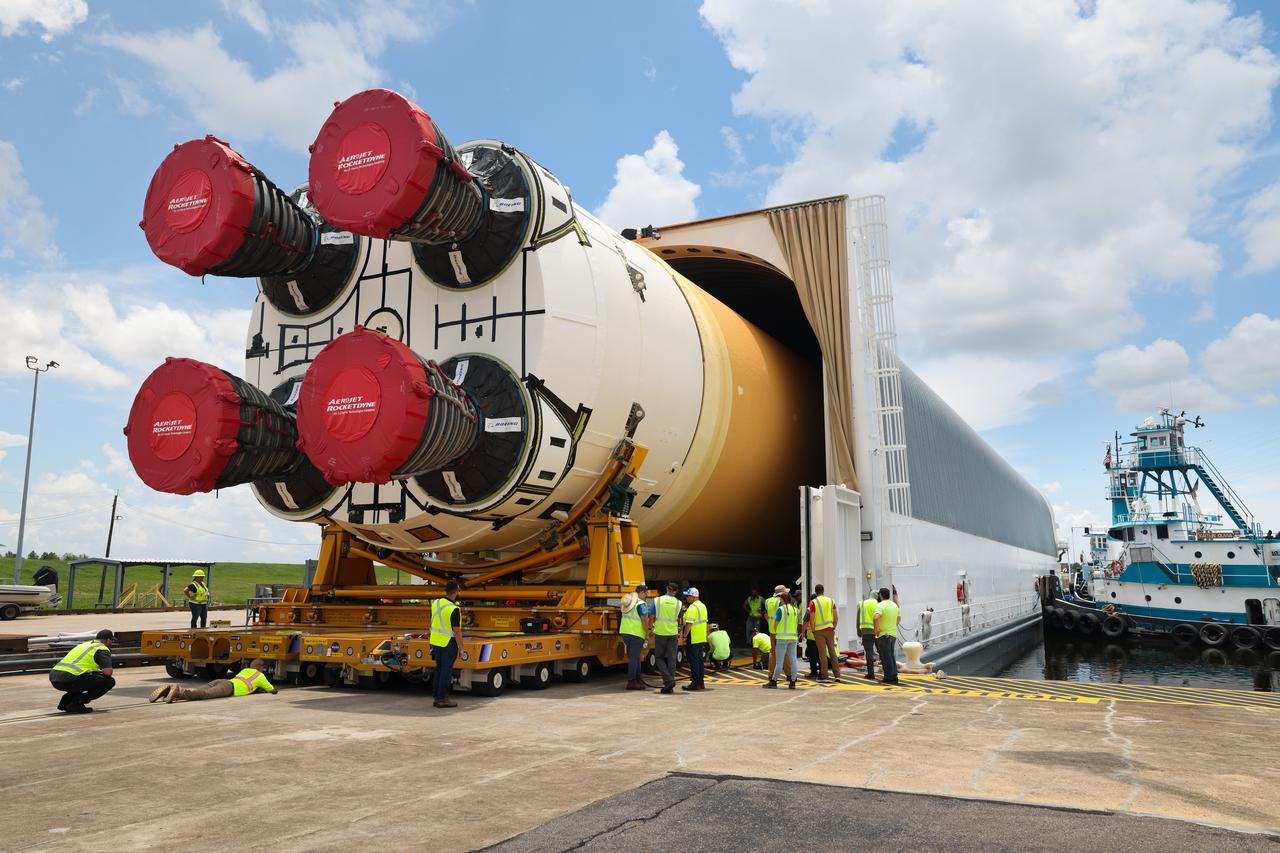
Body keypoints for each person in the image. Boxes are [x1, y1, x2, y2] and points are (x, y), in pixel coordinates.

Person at [151, 658, 278, 702]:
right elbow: (272, 690)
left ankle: (169, 691)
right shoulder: (260, 675)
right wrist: (270, 689)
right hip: (229, 688)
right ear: (259, 667)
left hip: (221, 681)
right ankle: (178, 692)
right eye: (263, 667)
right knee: (204, 695)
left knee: (198, 691)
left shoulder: (245, 670)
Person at [50, 628, 116, 713]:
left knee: (84, 678)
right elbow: (108, 672)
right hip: (69, 678)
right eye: (112, 641)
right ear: (108, 640)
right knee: (108, 681)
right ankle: (77, 702)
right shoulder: (102, 649)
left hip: (55, 678)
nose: (111, 643)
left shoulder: (84, 645)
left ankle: (65, 702)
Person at [430, 581, 465, 708]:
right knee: (446, 671)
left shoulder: (436, 603)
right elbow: (457, 631)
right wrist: (461, 648)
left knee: (439, 669)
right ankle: (443, 698)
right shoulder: (454, 609)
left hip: (436, 642)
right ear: (456, 592)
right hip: (447, 644)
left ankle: (437, 696)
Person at [619, 584, 653, 690]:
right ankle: (632, 681)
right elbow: (644, 620)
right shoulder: (641, 604)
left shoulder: (629, 602)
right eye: (646, 594)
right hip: (635, 634)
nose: (646, 596)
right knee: (634, 658)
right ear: (641, 593)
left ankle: (637, 679)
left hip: (625, 632)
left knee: (636, 656)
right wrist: (647, 633)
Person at [764, 590, 799, 689]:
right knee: (793, 660)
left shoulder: (780, 610)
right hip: (793, 638)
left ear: (782, 599)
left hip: (782, 638)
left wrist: (777, 633)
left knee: (779, 662)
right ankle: (793, 682)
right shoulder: (796, 610)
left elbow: (775, 624)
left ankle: (773, 681)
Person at [653, 582, 684, 694]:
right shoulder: (679, 603)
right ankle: (669, 685)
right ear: (676, 591)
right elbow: (680, 617)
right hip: (672, 633)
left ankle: (669, 681)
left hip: (660, 633)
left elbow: (651, 615)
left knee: (659, 657)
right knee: (671, 658)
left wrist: (650, 629)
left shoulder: (657, 601)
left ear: (667, 589)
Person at [808, 583, 840, 681]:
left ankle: (824, 675)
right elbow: (836, 617)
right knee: (832, 652)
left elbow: (812, 618)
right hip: (830, 630)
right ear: (823, 591)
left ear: (815, 591)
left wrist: (813, 630)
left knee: (822, 653)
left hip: (818, 631)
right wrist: (833, 627)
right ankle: (837, 675)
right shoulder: (831, 601)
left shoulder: (813, 602)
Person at [680, 587, 708, 691]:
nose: (686, 598)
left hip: (693, 637)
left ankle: (695, 683)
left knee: (693, 661)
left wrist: (684, 636)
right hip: (701, 637)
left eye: (688, 596)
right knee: (699, 661)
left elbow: (689, 624)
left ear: (693, 596)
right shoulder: (703, 606)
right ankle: (700, 683)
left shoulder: (693, 607)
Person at [873, 586, 901, 685]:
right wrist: (891, 626)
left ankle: (888, 678)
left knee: (885, 657)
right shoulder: (894, 605)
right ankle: (894, 676)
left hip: (884, 635)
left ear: (881, 595)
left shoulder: (881, 605)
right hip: (892, 634)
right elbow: (899, 619)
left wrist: (876, 629)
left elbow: (876, 617)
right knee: (891, 656)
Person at [763, 584, 791, 681]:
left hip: (772, 630)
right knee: (784, 652)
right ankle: (789, 674)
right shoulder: (781, 601)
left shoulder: (768, 601)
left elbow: (765, 614)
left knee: (773, 652)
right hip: (781, 630)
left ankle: (771, 674)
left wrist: (770, 623)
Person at [858, 589, 879, 681]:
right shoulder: (878, 604)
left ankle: (871, 673)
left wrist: (859, 631)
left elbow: (858, 618)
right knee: (882, 652)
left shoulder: (862, 603)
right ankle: (887, 672)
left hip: (866, 631)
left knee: (869, 653)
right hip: (877, 630)